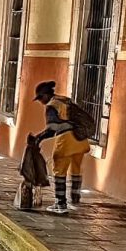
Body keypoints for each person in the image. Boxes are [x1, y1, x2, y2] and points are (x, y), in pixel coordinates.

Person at [31, 81, 91, 215]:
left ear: (46, 95)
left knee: (59, 170)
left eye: (40, 98)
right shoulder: (65, 100)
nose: (41, 101)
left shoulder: (51, 106)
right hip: (80, 139)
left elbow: (52, 129)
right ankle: (75, 200)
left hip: (66, 140)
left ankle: (60, 203)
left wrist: (38, 138)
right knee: (76, 168)